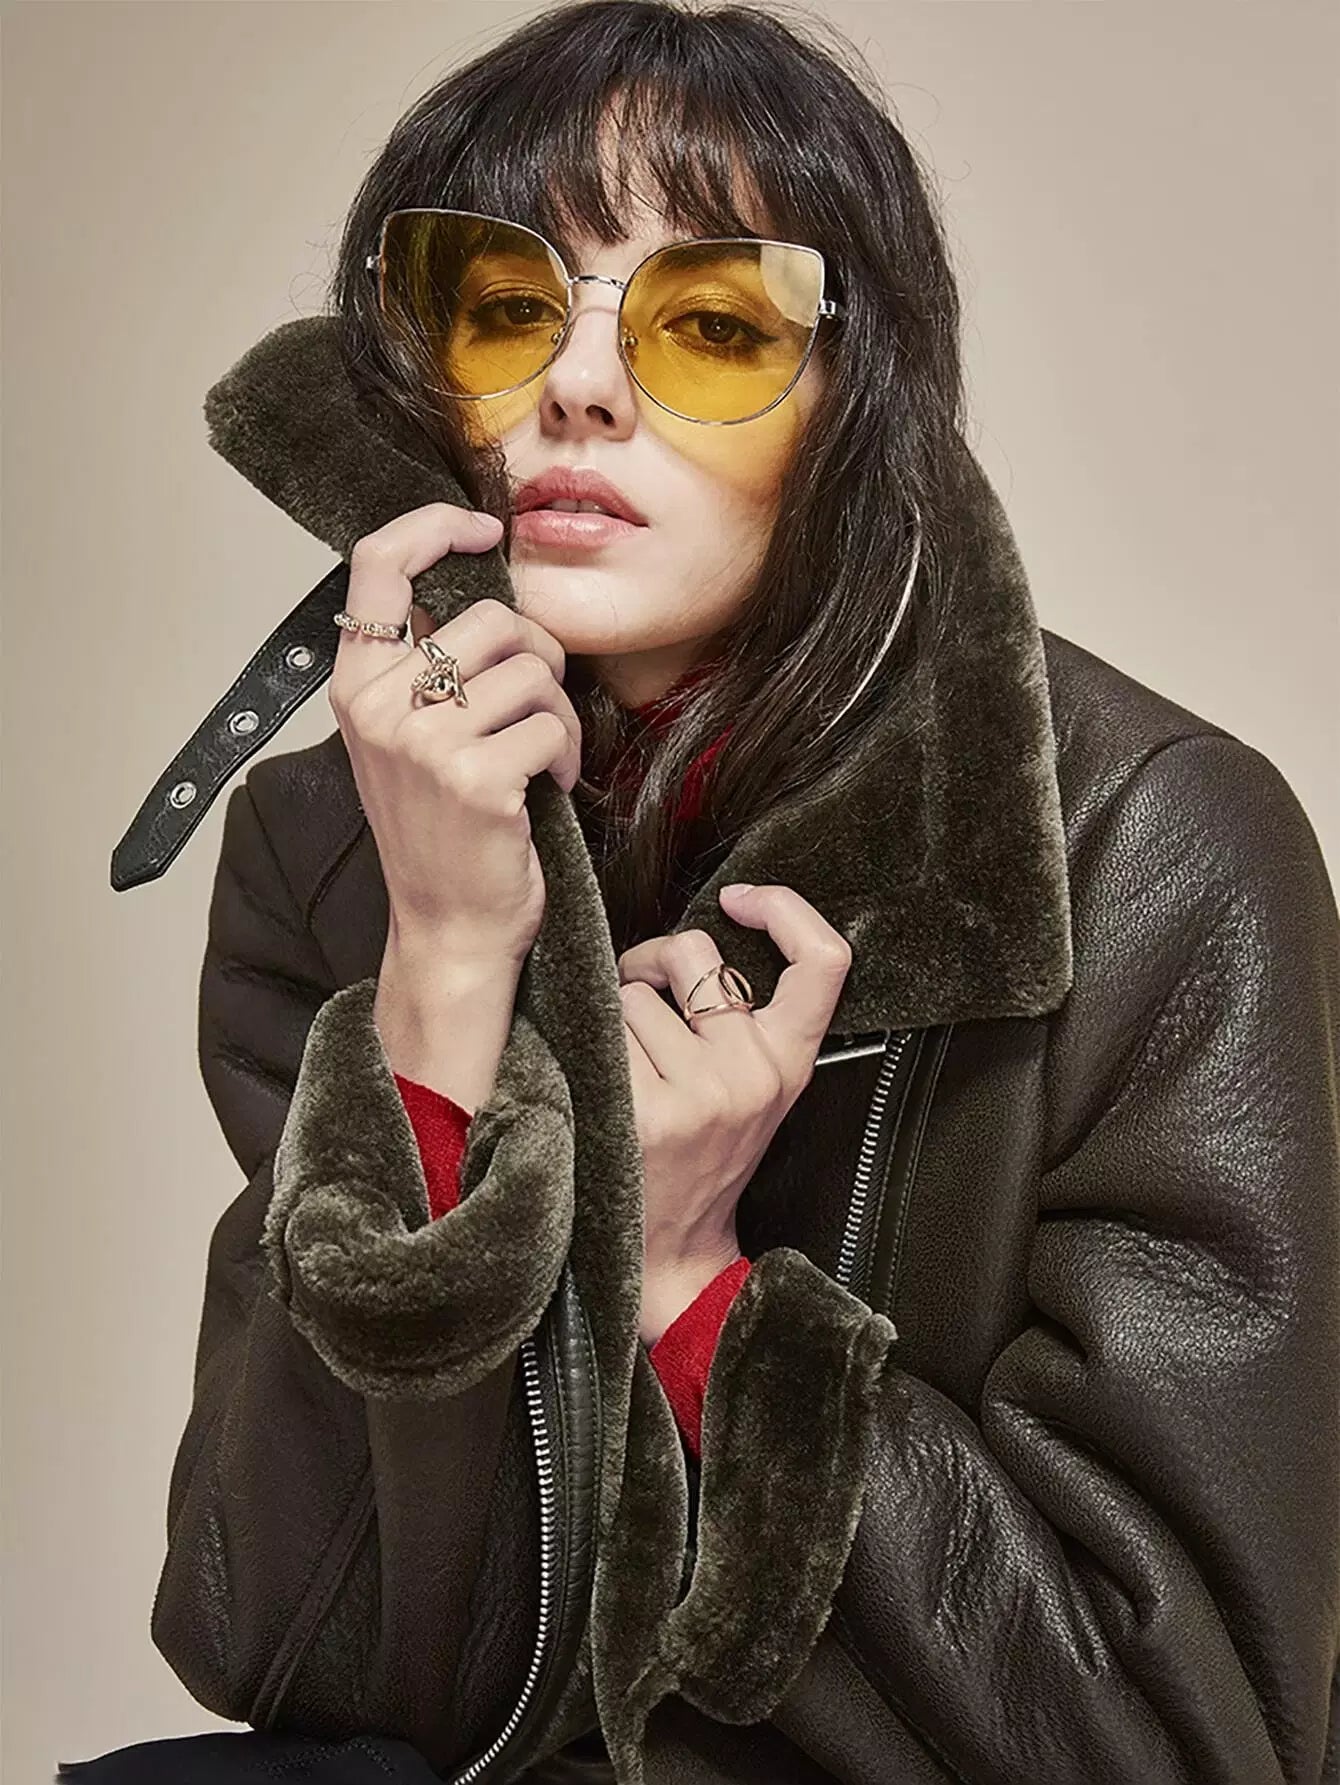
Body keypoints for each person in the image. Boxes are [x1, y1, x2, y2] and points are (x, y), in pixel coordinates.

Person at [71, 3, 1340, 1782]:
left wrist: (691, 1288)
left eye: (715, 325)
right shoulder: (340, 848)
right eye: (505, 308)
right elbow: (286, 1638)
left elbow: (1174, 1738)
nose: (580, 387)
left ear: (856, 410)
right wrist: (444, 975)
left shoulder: (1149, 852)